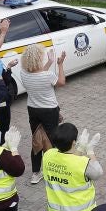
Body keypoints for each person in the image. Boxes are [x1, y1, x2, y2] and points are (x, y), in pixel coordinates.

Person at [21, 43, 65, 184]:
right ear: (38, 59)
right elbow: (61, 82)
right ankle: (53, 170)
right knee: (52, 140)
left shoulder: (23, 73)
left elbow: (38, 74)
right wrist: (60, 64)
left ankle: (35, 173)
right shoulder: (48, 75)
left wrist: (50, 62)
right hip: (49, 111)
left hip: (33, 110)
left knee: (36, 139)